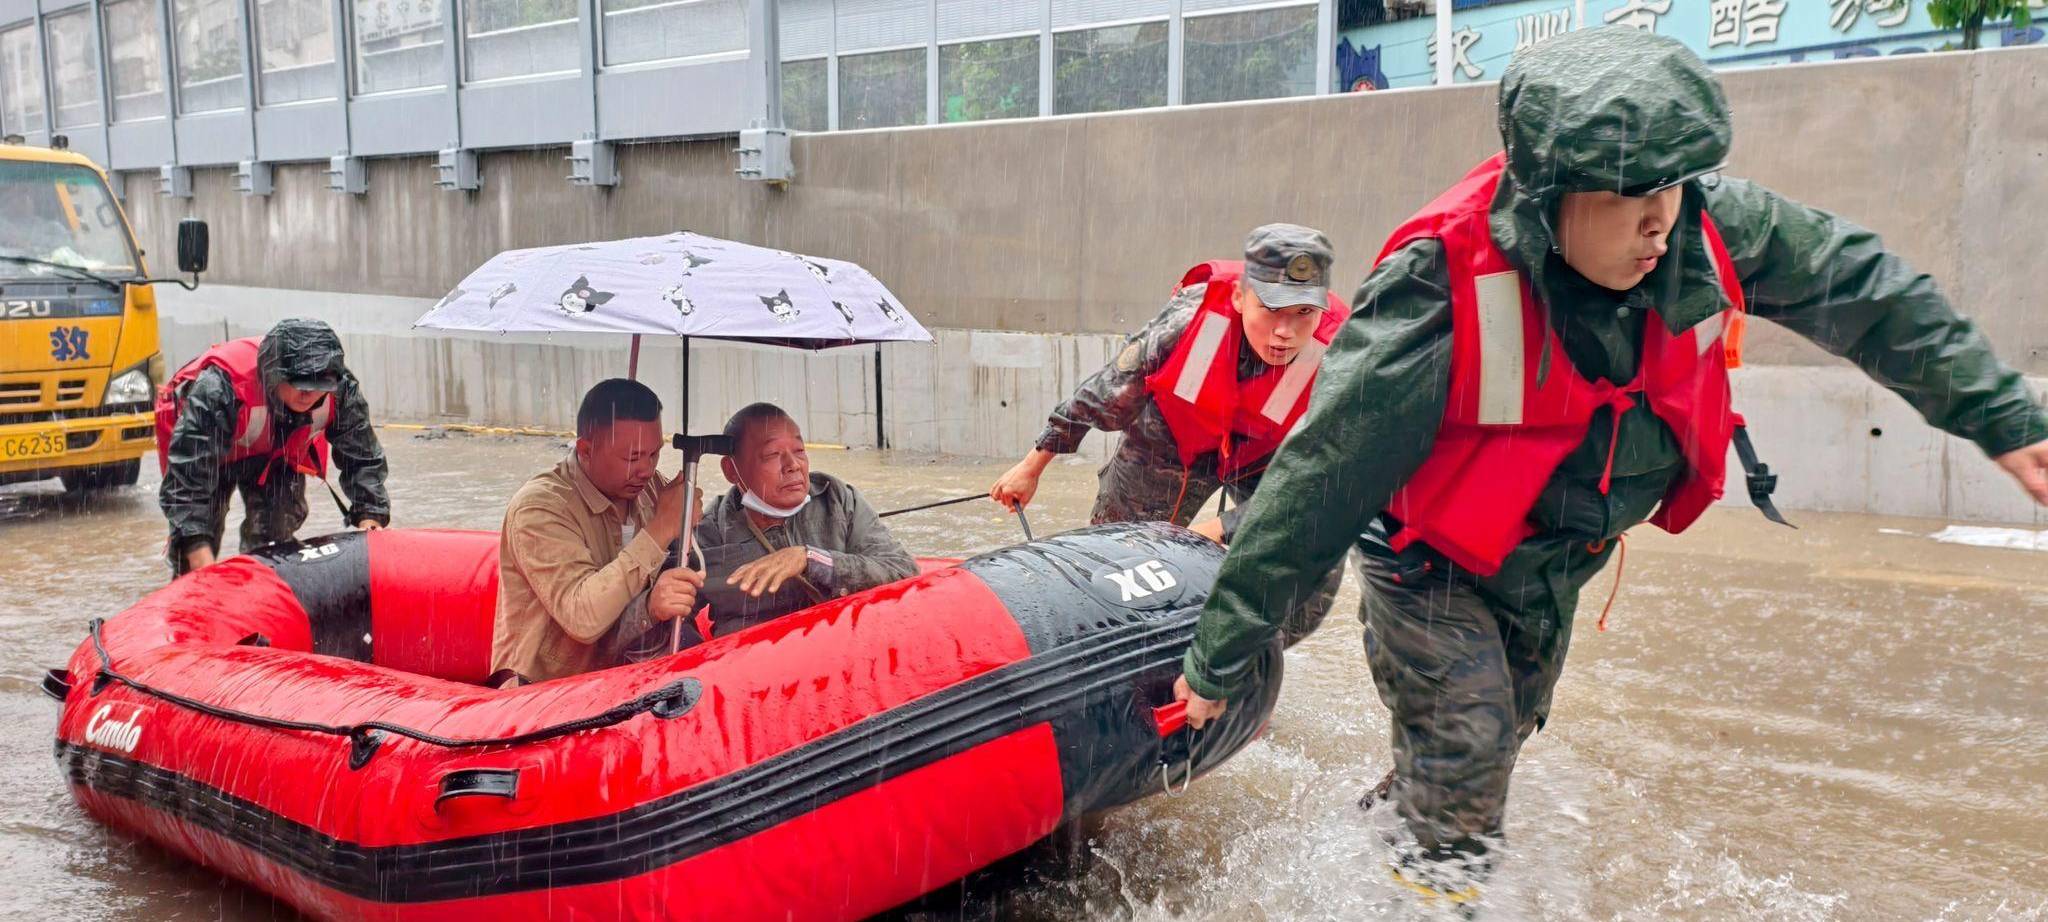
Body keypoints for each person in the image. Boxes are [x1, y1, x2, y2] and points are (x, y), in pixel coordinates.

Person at [1172, 26, 2048, 902]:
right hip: (1430, 563)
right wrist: (1221, 655)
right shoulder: (1441, 280)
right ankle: (1433, 898)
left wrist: (2001, 417)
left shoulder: (1707, 229)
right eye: (1631, 194)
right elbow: (1323, 473)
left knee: (1473, 764)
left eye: (1675, 186)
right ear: (1549, 193)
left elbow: (1869, 292)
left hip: (1552, 567)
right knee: (1468, 754)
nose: (1660, 219)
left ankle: (1361, 872)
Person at [988, 224, 1351, 645]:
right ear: (1239, 297)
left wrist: (1217, 532)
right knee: (1114, 561)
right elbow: (1106, 391)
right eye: (1271, 309)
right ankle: (1111, 651)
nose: (1285, 331)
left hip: (1268, 455)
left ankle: (1235, 657)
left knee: (1315, 562)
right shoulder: (1190, 320)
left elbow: (1319, 488)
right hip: (1172, 438)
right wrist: (1033, 465)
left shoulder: (1343, 359)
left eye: (1303, 312)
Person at [490, 378, 705, 685]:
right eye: (632, 457)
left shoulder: (651, 489)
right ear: (586, 450)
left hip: (624, 673)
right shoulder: (539, 508)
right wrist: (659, 529)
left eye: (654, 454)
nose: (646, 469)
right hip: (542, 690)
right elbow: (582, 618)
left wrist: (687, 528)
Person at [157, 319, 390, 575]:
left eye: (318, 388)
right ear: (274, 376)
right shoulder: (219, 388)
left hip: (276, 458)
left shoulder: (341, 390)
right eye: (299, 385)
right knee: (196, 544)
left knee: (275, 540)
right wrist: (197, 550)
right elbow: (187, 474)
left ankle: (263, 589)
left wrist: (371, 514)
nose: (308, 395)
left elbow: (362, 457)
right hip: (211, 460)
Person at [687, 402, 917, 641]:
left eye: (799, 451)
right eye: (772, 455)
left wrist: (811, 560)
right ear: (731, 470)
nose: (793, 465)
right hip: (754, 667)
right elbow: (670, 619)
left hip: (839, 650)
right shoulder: (706, 532)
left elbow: (903, 571)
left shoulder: (838, 499)